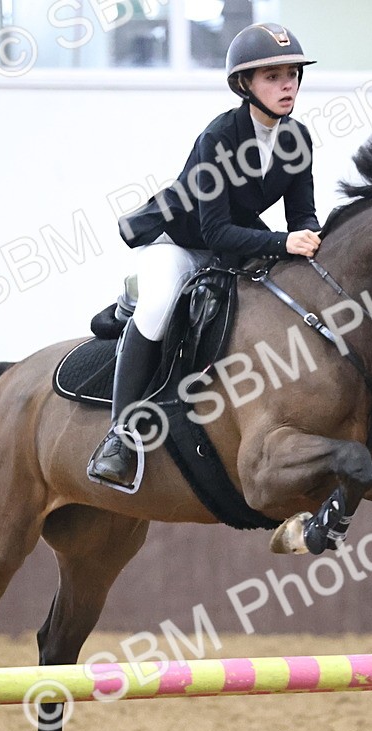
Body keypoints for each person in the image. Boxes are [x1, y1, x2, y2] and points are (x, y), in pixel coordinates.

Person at [88, 22, 323, 489]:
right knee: (158, 306)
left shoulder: (297, 139)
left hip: (235, 241)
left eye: (292, 74)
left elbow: (303, 216)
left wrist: (316, 240)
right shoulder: (218, 137)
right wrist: (282, 243)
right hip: (180, 240)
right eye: (272, 76)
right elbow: (215, 230)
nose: (287, 85)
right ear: (245, 84)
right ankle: (119, 436)